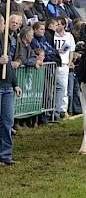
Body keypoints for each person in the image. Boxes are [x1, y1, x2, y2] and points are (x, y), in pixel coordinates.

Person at [0, 14, 22, 166]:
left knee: (8, 122)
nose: (4, 24)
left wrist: (15, 84)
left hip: (7, 86)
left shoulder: (5, 39)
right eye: (2, 22)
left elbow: (8, 65)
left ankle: (6, 155)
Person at [54, 17, 76, 119]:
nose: (56, 26)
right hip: (54, 64)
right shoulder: (52, 36)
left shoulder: (69, 36)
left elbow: (71, 50)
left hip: (64, 65)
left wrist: (69, 62)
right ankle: (54, 110)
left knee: (64, 88)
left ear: (63, 25)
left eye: (58, 24)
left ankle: (63, 110)